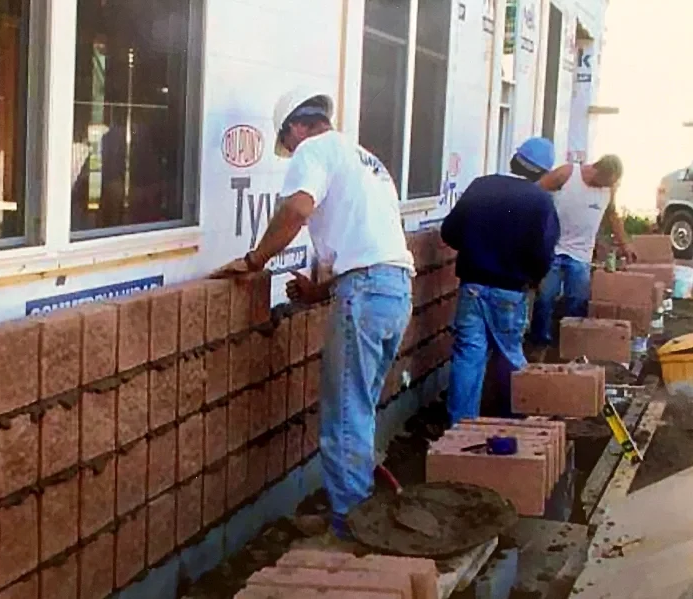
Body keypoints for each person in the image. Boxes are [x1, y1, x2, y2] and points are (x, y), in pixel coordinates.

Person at [211, 88, 414, 539]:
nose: (291, 151)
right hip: (396, 292)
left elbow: (297, 210)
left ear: (295, 128)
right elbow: (374, 247)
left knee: (343, 416)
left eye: (287, 143)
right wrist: (320, 290)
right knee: (357, 410)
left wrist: (255, 259)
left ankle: (351, 528)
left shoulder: (313, 150)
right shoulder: (365, 159)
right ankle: (355, 511)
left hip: (365, 293)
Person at [440, 137, 560, 422]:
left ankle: (460, 427)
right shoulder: (540, 201)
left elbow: (450, 232)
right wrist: (534, 277)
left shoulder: (482, 186)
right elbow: (544, 252)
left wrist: (477, 248)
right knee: (509, 353)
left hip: (472, 287)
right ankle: (514, 419)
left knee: (469, 355)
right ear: (542, 172)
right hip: (510, 291)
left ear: (514, 160)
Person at [528, 155, 633, 348]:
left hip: (582, 255)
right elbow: (534, 191)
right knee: (545, 299)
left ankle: (571, 344)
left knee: (577, 301)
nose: (606, 187)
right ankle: (539, 343)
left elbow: (612, 215)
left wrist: (624, 244)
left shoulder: (608, 189)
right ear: (598, 170)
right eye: (606, 182)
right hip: (554, 249)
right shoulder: (568, 174)